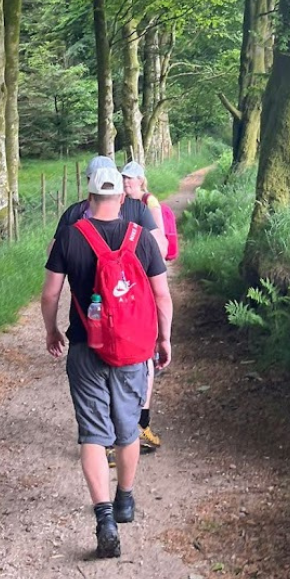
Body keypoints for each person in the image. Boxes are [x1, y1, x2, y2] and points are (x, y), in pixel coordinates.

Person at [42, 167, 174, 559]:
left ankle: (104, 518)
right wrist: (163, 338)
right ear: (120, 198)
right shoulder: (141, 238)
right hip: (133, 349)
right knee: (127, 428)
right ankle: (125, 500)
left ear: (89, 199)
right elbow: (162, 295)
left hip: (86, 346)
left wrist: (52, 331)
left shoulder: (71, 236)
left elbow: (50, 295)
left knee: (93, 434)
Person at [121, 160, 167, 453]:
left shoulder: (148, 203)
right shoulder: (125, 206)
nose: (127, 183)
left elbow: (160, 244)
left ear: (141, 180)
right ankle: (137, 426)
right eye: (123, 179)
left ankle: (137, 424)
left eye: (131, 179)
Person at [50, 155, 168, 260]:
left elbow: (52, 254)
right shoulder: (138, 209)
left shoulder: (74, 212)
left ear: (88, 182)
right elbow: (161, 249)